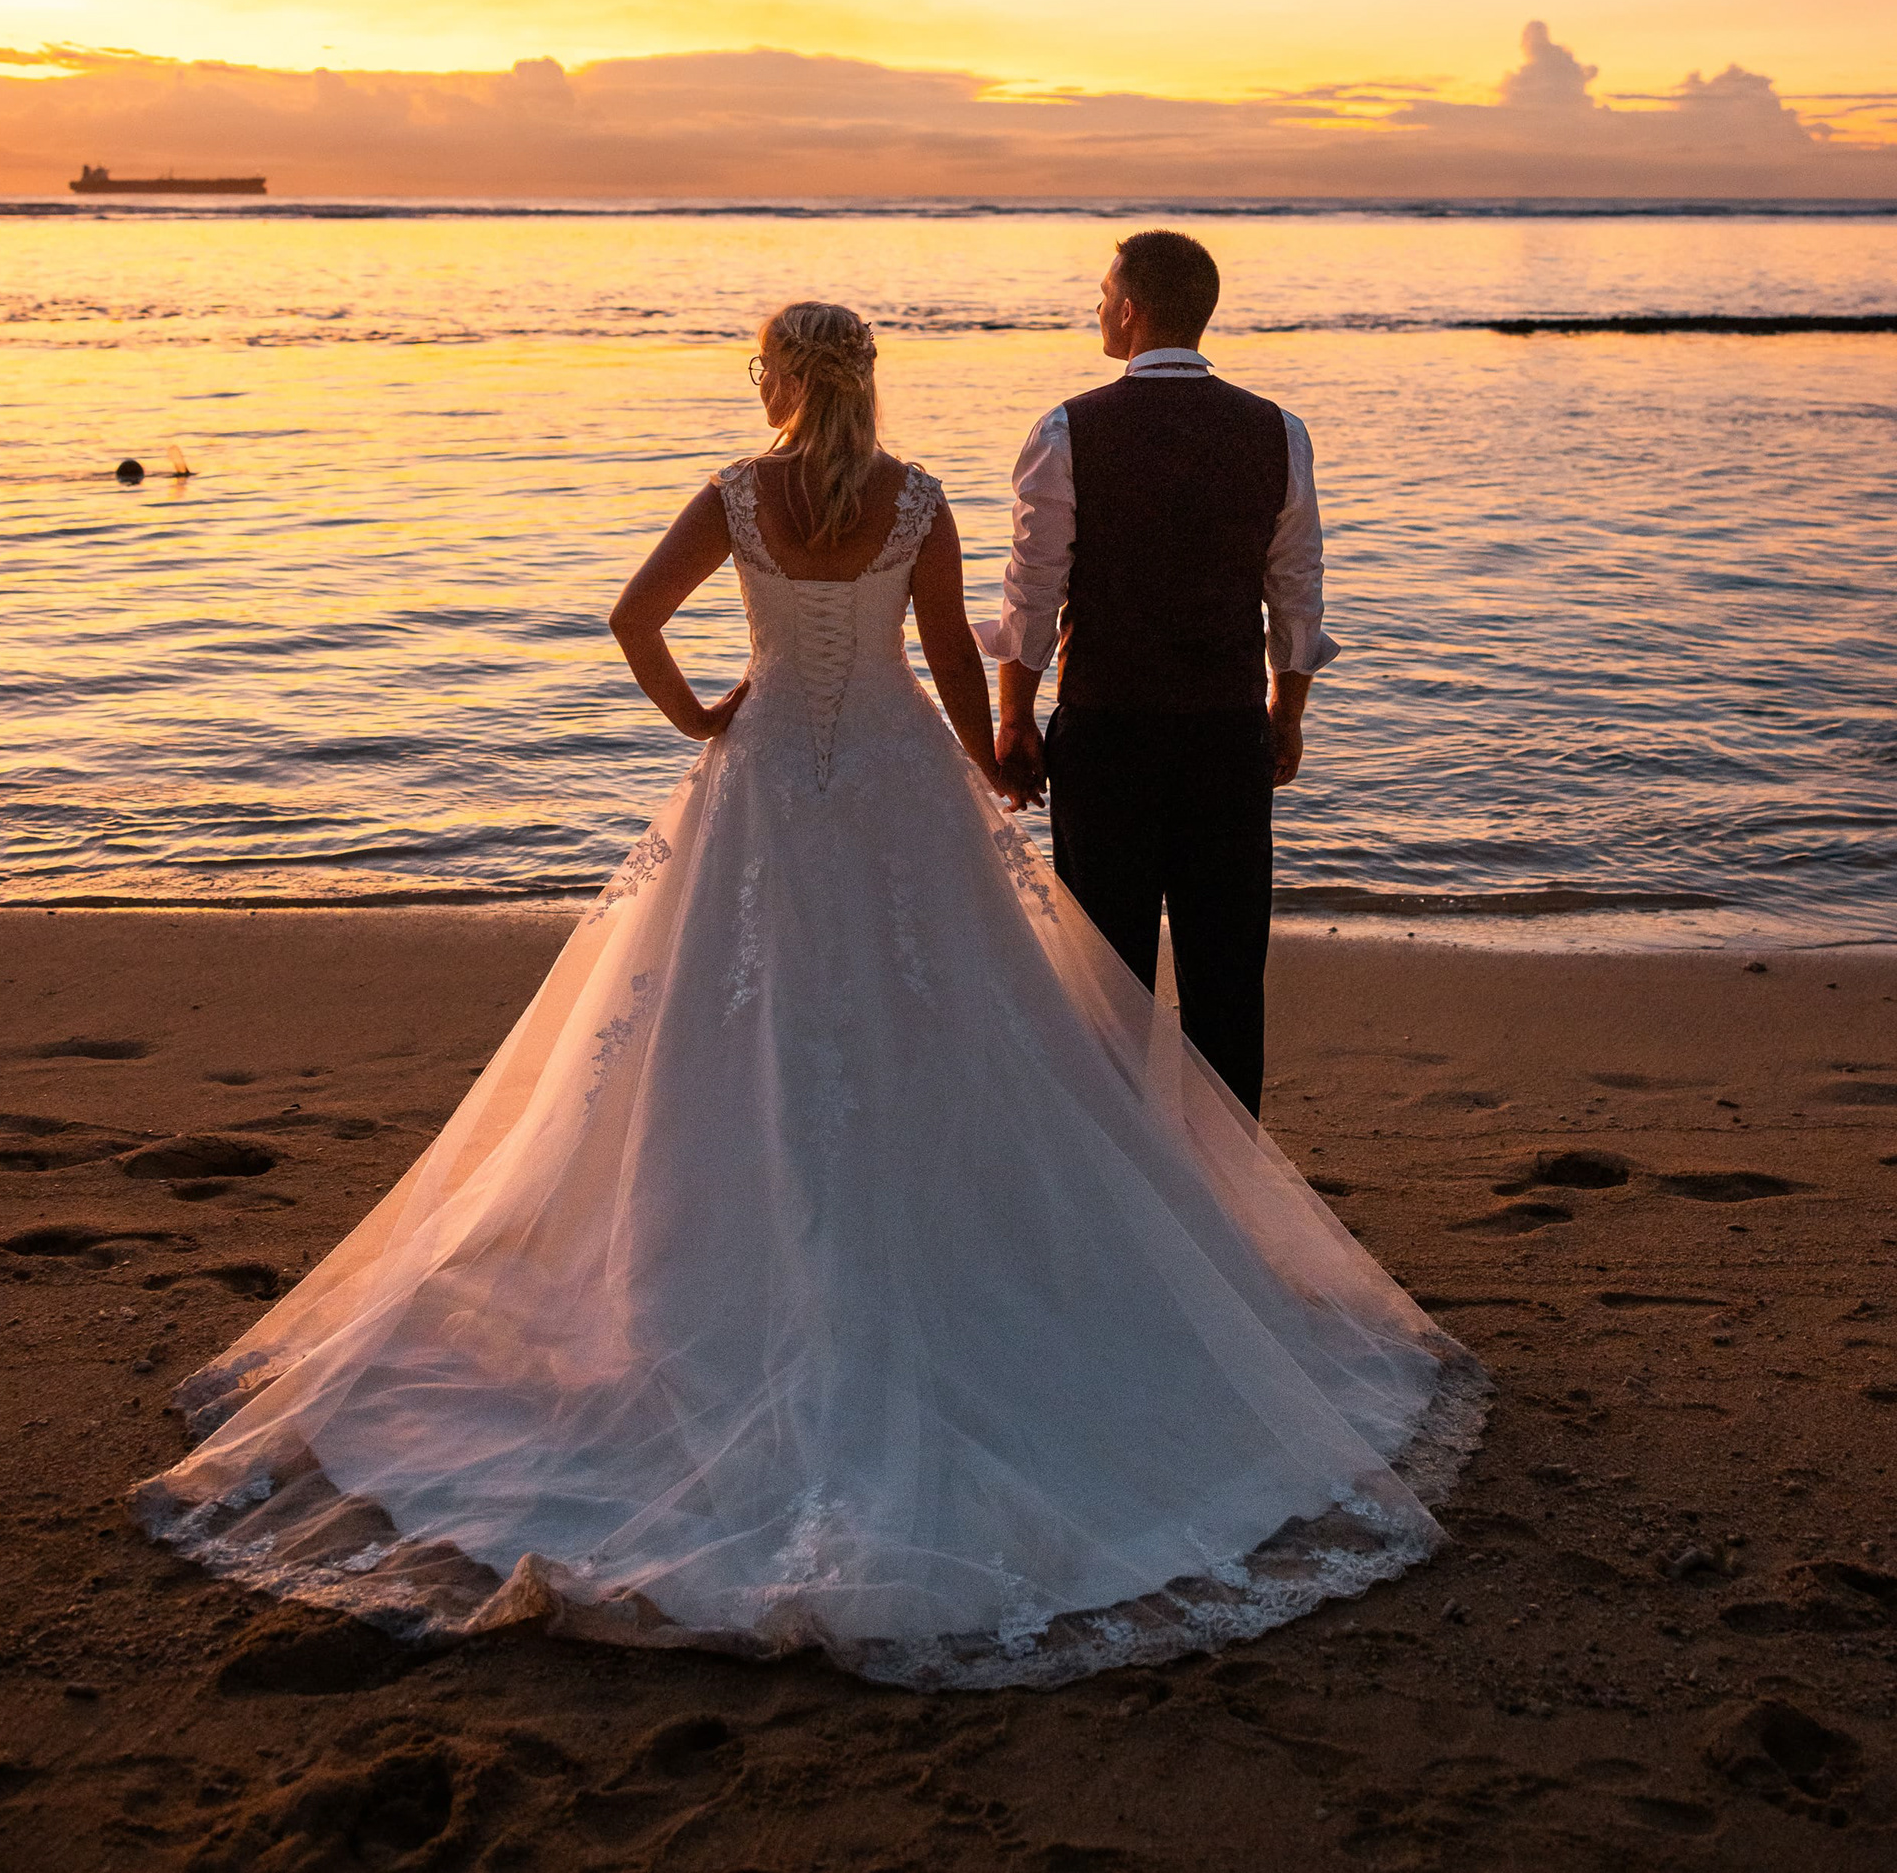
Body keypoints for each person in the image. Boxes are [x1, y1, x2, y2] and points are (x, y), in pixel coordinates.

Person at [133, 299, 1481, 1690]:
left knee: (733, 1029)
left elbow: (631, 618)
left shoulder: (736, 492)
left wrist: (707, 713)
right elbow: (957, 660)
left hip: (767, 774)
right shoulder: (918, 501)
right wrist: (995, 758)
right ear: (869, 380)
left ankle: (707, 1273)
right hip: (897, 781)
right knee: (939, 1025)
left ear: (777, 379)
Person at [982, 229, 1332, 1116]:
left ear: (1132, 310)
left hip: (1110, 732)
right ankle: (1229, 1191)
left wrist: (1014, 717)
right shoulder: (1276, 431)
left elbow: (1032, 596)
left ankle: (1127, 1191)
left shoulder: (1067, 427)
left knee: (1108, 982)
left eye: (1103, 294)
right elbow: (1295, 597)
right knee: (1225, 976)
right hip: (1224, 736)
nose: (1096, 307)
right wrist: (1284, 714)